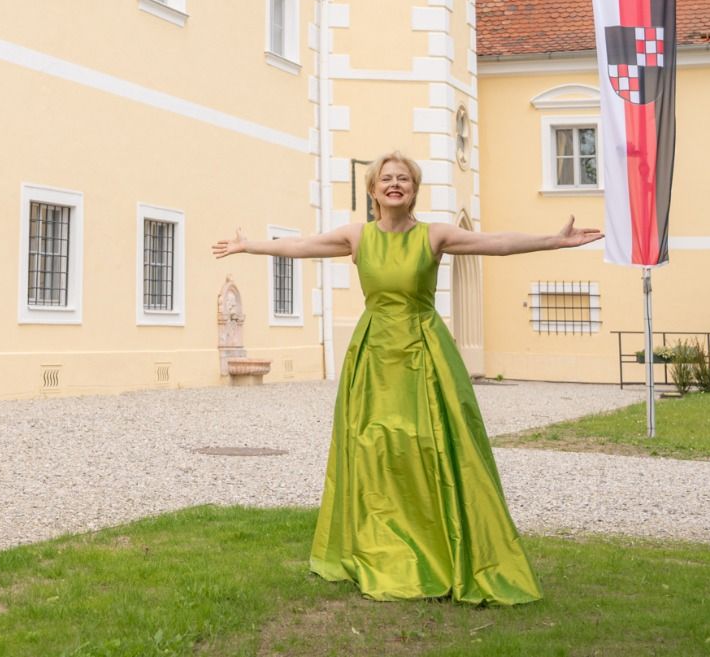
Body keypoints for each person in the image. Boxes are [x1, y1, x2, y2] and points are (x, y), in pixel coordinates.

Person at [212, 150, 602, 603]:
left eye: (404, 179)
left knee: (428, 443)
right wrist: (250, 246)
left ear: (414, 189)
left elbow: (494, 243)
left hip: (424, 352)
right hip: (374, 355)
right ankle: (380, 544)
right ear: (374, 189)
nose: (395, 185)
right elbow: (301, 247)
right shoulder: (357, 237)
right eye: (387, 179)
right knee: (375, 445)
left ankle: (438, 544)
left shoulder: (434, 235)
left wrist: (552, 241)